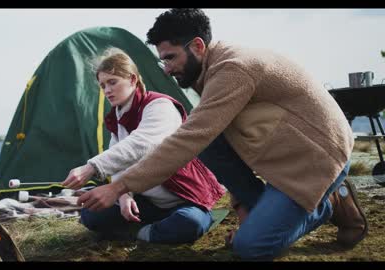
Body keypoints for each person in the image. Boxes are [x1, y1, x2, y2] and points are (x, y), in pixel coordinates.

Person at [77, 9, 368, 260]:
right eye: (162, 61)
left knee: (250, 247)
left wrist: (118, 187)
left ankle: (327, 205)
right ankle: (270, 212)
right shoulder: (213, 71)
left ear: (198, 46)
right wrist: (243, 210)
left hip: (317, 160)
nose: (166, 69)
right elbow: (222, 146)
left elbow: (186, 139)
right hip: (286, 161)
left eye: (170, 58)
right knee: (211, 143)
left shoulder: (232, 70)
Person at [62, 48, 225, 244]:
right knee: (91, 215)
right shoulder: (117, 117)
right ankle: (153, 225)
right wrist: (124, 196)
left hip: (183, 198)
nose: (107, 90)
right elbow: (118, 161)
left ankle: (141, 234)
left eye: (113, 82)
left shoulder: (160, 106)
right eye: (103, 85)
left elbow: (141, 143)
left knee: (189, 224)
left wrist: (91, 167)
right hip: (149, 202)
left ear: (132, 80)